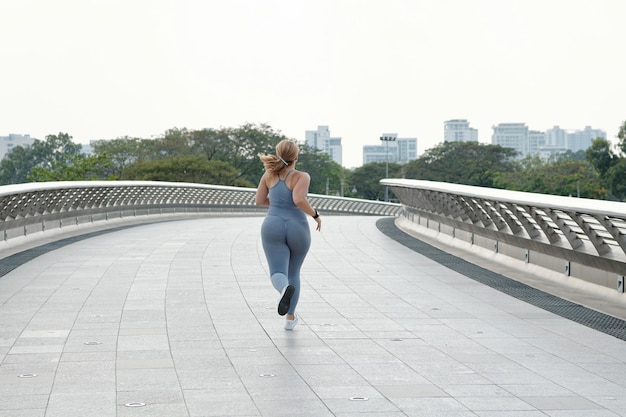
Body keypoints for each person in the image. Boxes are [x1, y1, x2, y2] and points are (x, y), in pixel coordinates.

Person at [255, 139, 322, 330]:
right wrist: (315, 215)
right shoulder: (302, 176)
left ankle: (284, 290)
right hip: (297, 226)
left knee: (278, 272)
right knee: (294, 272)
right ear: (296, 157)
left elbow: (260, 200)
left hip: (272, 224)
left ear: (279, 154)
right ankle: (290, 319)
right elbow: (298, 199)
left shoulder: (268, 175)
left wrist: (277, 204)